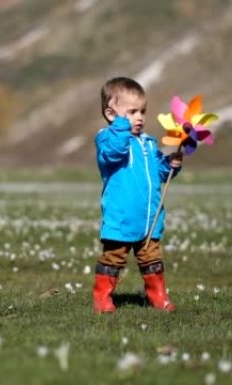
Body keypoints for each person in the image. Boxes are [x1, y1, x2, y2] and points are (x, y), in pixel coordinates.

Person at [92, 77, 182, 313]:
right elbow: (112, 154)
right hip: (121, 217)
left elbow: (160, 173)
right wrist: (121, 127)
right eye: (132, 112)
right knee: (113, 259)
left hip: (149, 218)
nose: (140, 117)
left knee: (152, 260)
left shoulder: (149, 144)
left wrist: (170, 164)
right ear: (111, 114)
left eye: (143, 111)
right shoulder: (106, 139)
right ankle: (102, 298)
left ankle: (158, 296)